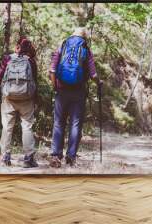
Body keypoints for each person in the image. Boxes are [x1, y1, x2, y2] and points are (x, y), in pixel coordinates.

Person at [48, 27, 102, 168]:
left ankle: (55, 155)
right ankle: (71, 157)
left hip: (62, 90)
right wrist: (99, 83)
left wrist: (55, 86)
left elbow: (52, 69)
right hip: (78, 91)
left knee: (59, 122)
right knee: (75, 124)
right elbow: (93, 74)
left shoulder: (63, 45)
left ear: (72, 35)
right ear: (84, 37)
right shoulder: (85, 48)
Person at [0, 37, 39, 168]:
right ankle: (28, 159)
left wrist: (5, 91)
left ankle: (5, 157)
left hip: (9, 98)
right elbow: (34, 81)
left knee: (7, 127)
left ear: (17, 46)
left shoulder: (7, 59)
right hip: (26, 99)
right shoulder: (31, 61)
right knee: (27, 127)